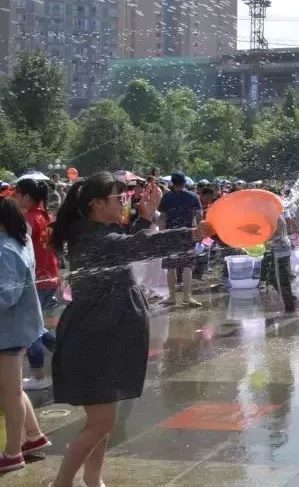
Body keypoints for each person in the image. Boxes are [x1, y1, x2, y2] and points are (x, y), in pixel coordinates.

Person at [49, 172, 213, 487]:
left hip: (103, 338)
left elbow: (127, 244)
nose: (125, 200)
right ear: (97, 204)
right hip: (92, 341)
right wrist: (191, 233)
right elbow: (137, 246)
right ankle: (62, 483)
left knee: (103, 422)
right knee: (100, 423)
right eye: (118, 196)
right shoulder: (95, 239)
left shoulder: (94, 232)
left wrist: (145, 217)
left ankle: (93, 479)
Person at [0, 197, 50, 474]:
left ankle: (11, 453)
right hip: (18, 327)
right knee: (13, 389)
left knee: (8, 393)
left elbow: (6, 295)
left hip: (8, 331)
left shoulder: (5, 249)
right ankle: (33, 436)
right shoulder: (20, 241)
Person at [14, 178, 59, 391]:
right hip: (50, 275)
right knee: (37, 326)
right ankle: (67, 354)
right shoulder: (45, 216)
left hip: (38, 279)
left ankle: (39, 376)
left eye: (17, 194)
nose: (14, 198)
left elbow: (22, 252)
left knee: (30, 328)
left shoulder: (29, 219)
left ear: (27, 197)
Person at [158, 173, 204, 308]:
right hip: (187, 234)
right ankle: (187, 297)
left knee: (171, 266)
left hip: (170, 234)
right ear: (185, 183)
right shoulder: (193, 196)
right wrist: (198, 230)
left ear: (172, 183)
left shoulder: (167, 197)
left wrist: (162, 233)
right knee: (187, 266)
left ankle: (172, 297)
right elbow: (200, 214)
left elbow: (162, 217)